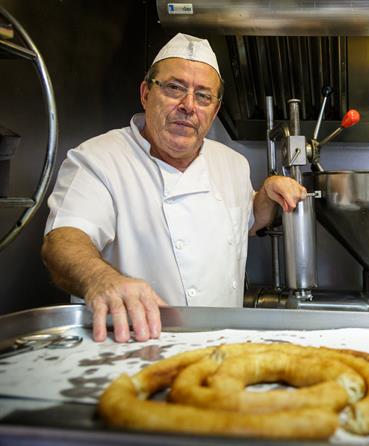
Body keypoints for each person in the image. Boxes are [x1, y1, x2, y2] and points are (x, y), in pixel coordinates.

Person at [41, 33, 305, 343]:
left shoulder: (233, 164)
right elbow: (62, 241)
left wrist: (266, 194)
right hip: (131, 348)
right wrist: (101, 279)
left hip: (220, 345)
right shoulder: (97, 159)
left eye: (203, 96)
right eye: (174, 88)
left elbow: (243, 222)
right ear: (145, 93)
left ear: (215, 110)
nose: (188, 105)